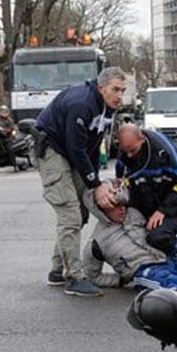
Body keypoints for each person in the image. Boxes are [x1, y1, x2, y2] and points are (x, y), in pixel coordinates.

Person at [34, 67, 123, 296]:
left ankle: (57, 270)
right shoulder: (82, 104)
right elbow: (76, 148)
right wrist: (95, 184)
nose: (120, 95)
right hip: (53, 151)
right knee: (70, 214)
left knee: (81, 213)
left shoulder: (107, 107)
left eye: (123, 90)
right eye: (115, 90)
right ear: (101, 88)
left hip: (70, 153)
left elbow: (91, 147)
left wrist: (95, 184)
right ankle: (73, 277)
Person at [115, 124, 177, 256]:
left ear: (142, 139)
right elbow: (121, 177)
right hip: (148, 197)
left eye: (133, 150)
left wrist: (162, 211)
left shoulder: (164, 152)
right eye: (126, 151)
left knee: (157, 237)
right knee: (126, 234)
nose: (129, 156)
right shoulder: (125, 149)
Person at [0, 105, 18, 171]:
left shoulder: (10, 120)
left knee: (9, 149)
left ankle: (15, 165)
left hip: (8, 137)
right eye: (2, 112)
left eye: (5, 112)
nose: (4, 113)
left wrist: (6, 131)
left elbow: (12, 128)